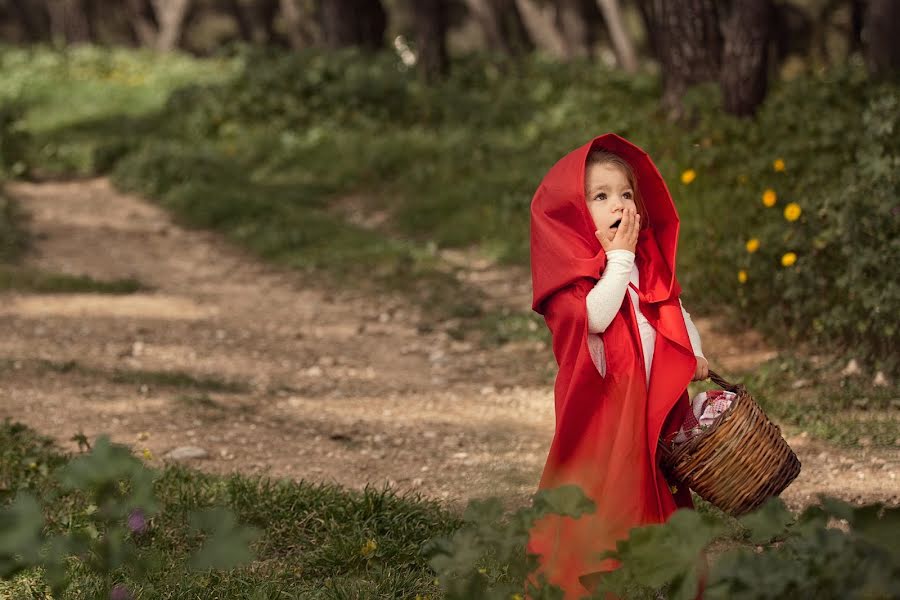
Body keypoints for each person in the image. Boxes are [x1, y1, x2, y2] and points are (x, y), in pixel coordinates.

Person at [526, 133, 709, 599]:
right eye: (601, 196)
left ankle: (663, 567)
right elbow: (593, 316)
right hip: (603, 410)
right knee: (603, 491)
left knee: (655, 483)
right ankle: (592, 568)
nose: (619, 206)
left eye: (627, 194)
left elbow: (672, 308)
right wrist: (619, 258)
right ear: (573, 211)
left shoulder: (642, 264)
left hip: (649, 403)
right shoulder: (575, 274)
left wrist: (696, 352)